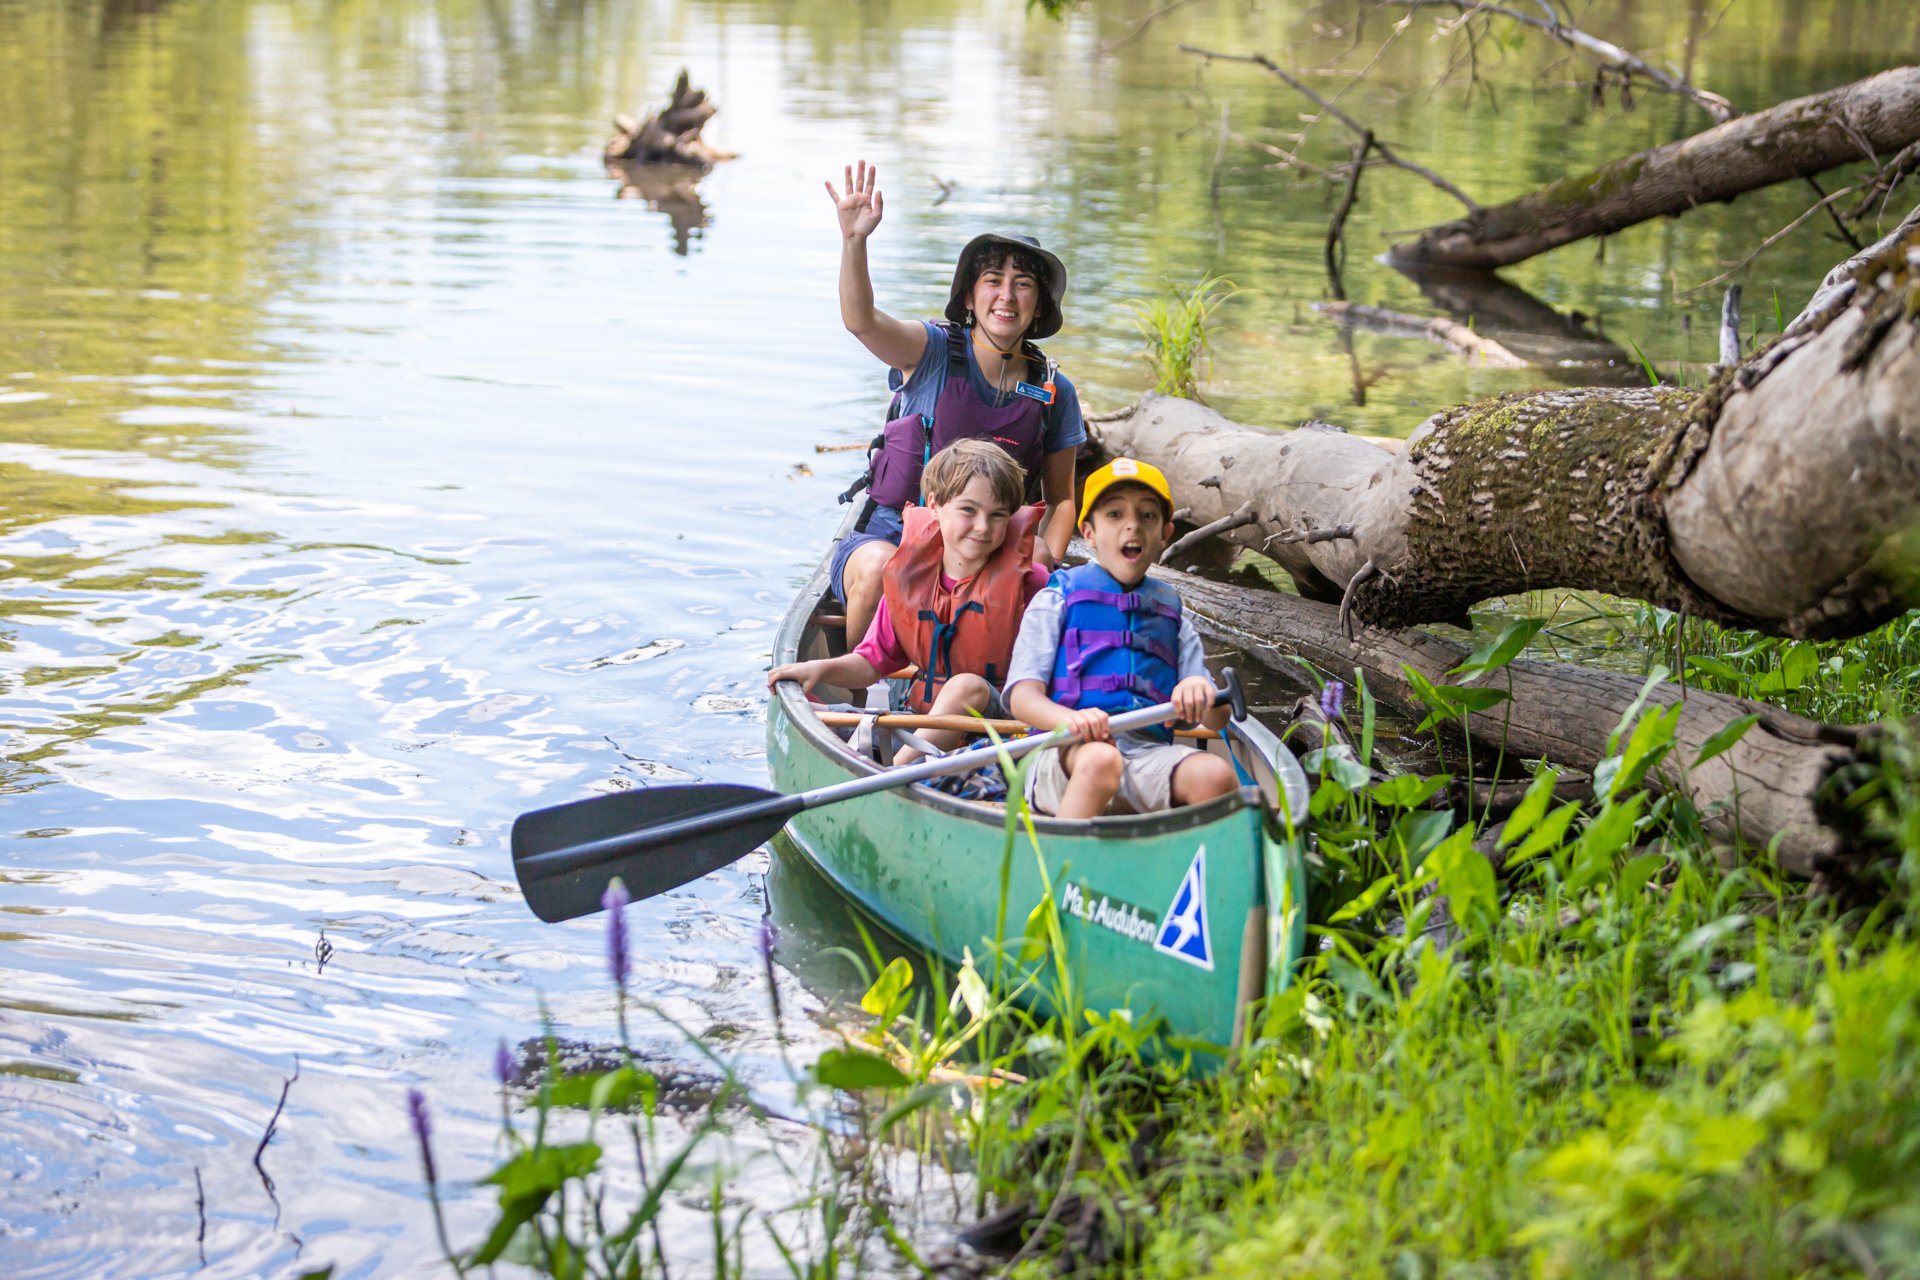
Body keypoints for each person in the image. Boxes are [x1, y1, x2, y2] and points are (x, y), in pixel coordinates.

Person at [823, 159, 1086, 645]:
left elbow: (1063, 497)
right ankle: (862, 699)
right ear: (969, 298)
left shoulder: (1054, 391)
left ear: (1039, 306)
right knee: (883, 566)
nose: (1006, 296)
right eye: (993, 280)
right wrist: (854, 241)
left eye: (1023, 285)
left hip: (986, 546)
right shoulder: (930, 351)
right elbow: (860, 321)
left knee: (1041, 594)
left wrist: (1047, 551)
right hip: (891, 537)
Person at [769, 440, 1050, 765]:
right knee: (812, 711)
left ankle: (893, 777)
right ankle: (899, 757)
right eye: (968, 510)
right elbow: (870, 663)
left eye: (997, 515)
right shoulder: (910, 579)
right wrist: (819, 667)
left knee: (965, 687)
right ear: (935, 505)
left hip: (1004, 723)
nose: (983, 527)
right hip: (922, 720)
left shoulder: (1035, 585)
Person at [1006, 458, 1239, 820]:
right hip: (1067, 753)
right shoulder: (1055, 600)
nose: (1132, 524)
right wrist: (1069, 720)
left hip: (1146, 758)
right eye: (1114, 515)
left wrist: (1198, 689)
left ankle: (1188, 870)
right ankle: (1056, 869)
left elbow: (1219, 719)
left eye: (1147, 516)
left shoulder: (1174, 620)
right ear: (1089, 533)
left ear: (1165, 533)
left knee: (1215, 775)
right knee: (1101, 759)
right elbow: (1022, 699)